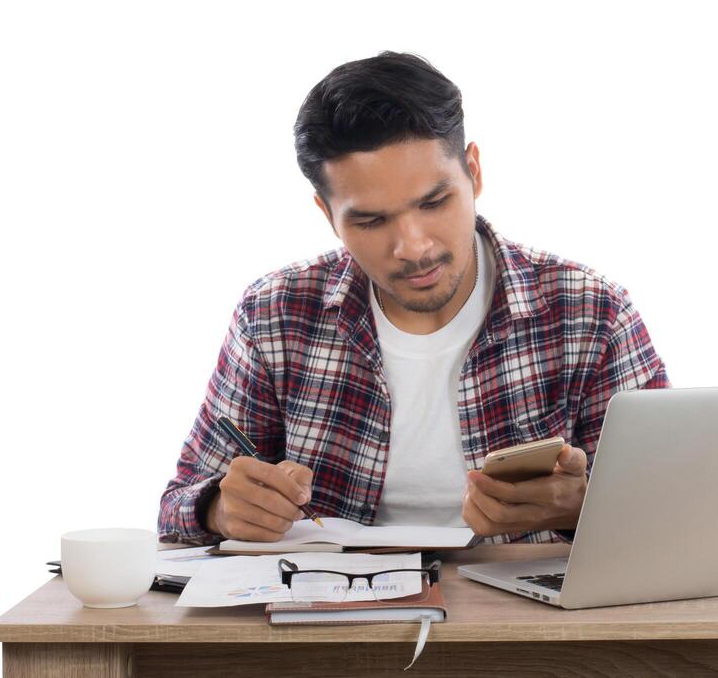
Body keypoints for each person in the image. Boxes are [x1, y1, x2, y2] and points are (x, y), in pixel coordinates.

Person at [158, 51, 669, 545]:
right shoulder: (274, 314)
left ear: (474, 171)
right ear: (326, 213)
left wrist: (582, 510)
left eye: (434, 202)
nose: (414, 247)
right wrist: (220, 509)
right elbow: (176, 505)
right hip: (329, 623)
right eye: (370, 220)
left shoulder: (590, 311)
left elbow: (673, 511)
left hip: (527, 625)